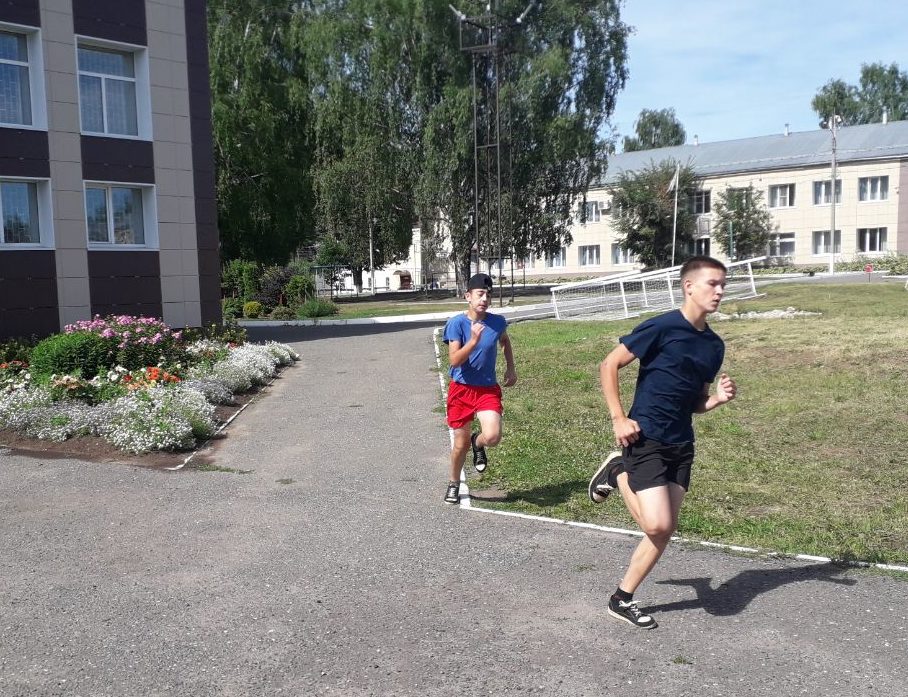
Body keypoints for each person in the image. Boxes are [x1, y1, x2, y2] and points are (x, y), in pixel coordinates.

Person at [588, 256, 737, 629]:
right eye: (712, 284)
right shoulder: (662, 327)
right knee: (658, 525)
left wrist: (716, 399)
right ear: (689, 286)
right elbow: (609, 365)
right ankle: (619, 469)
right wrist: (619, 418)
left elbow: (696, 402)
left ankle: (622, 599)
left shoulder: (714, 347)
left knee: (662, 529)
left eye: (723, 284)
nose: (719, 291)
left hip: (681, 443)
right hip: (646, 436)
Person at [442, 273, 517, 504]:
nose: (484, 298)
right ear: (468, 296)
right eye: (480, 294)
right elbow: (454, 360)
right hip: (462, 390)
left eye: (488, 295)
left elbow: (505, 342)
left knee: (493, 436)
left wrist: (511, 368)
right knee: (460, 445)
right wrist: (473, 341)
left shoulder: (497, 322)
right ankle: (454, 482)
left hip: (486, 390)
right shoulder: (457, 323)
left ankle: (479, 442)